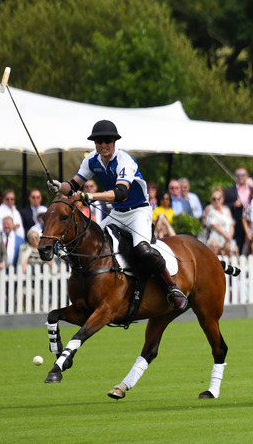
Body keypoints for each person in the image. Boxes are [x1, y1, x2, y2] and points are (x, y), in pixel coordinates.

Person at [47, 119, 188, 310]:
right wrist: (59, 186)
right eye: (99, 142)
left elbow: (120, 193)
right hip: (117, 214)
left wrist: (90, 195)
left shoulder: (125, 161)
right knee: (92, 243)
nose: (103, 145)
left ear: (114, 142)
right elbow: (72, 186)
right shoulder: (91, 160)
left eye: (107, 141)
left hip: (138, 211)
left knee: (142, 249)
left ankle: (172, 288)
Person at [223, 167, 253, 254]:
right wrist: (233, 204)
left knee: (251, 246)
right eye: (238, 175)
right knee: (237, 246)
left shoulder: (252, 190)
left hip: (250, 223)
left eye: (243, 175)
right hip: (236, 223)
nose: (240, 177)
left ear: (246, 176)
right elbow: (223, 205)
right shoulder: (228, 191)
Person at [204, 187, 237, 255]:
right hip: (216, 237)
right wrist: (226, 235)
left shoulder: (227, 210)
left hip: (228, 236)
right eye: (214, 199)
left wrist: (230, 234)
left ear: (222, 199)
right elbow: (214, 226)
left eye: (219, 199)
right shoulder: (211, 211)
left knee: (234, 249)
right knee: (214, 246)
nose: (217, 201)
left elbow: (231, 223)